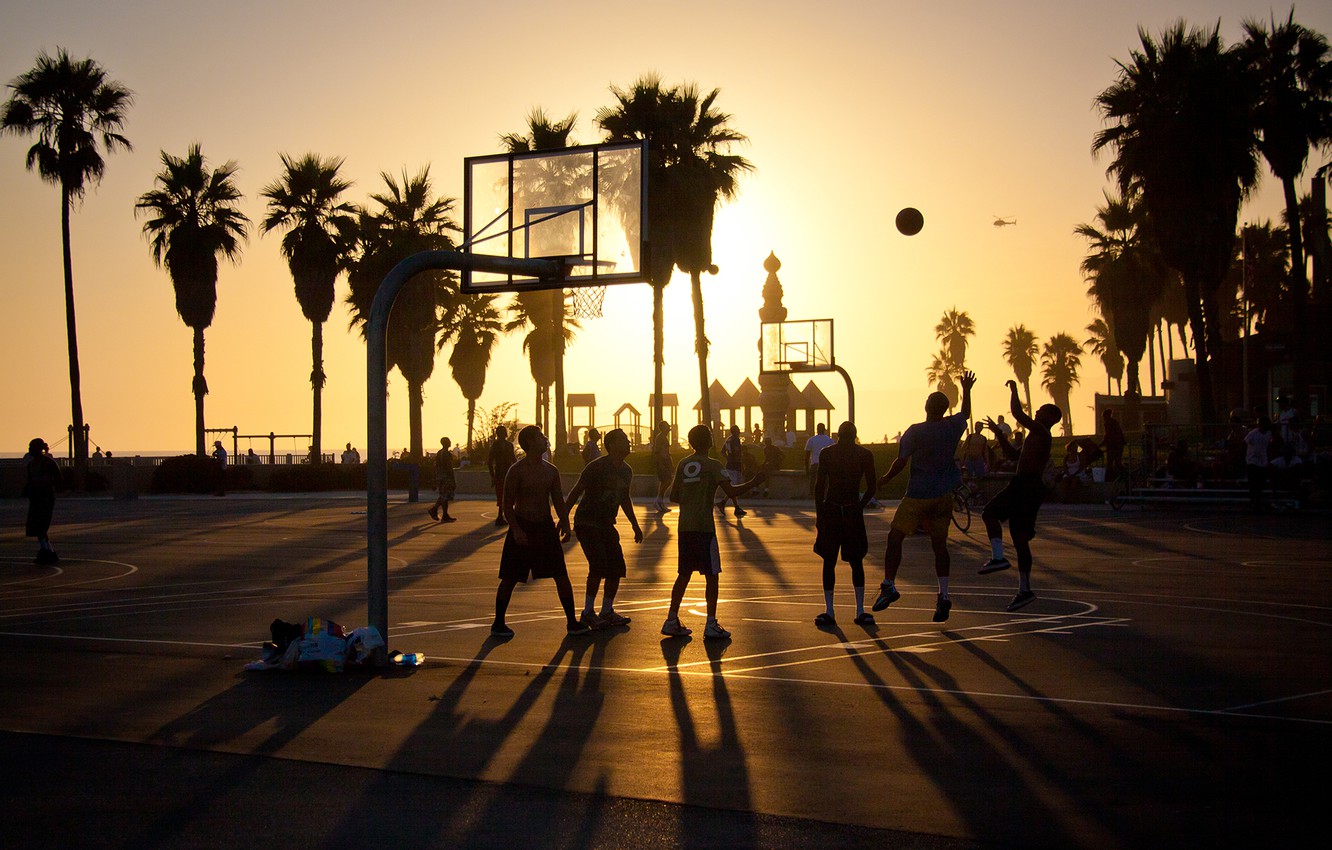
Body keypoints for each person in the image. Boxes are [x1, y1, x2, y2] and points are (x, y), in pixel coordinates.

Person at [873, 370, 976, 623]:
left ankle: (889, 584)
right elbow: (966, 414)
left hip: (919, 494)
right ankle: (943, 594)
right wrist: (967, 389)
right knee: (939, 546)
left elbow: (901, 462)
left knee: (895, 537)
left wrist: (884, 480)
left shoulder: (916, 432)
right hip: (943, 495)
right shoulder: (952, 427)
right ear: (944, 409)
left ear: (926, 407)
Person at [662, 424, 765, 639]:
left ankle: (671, 619)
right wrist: (755, 481)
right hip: (704, 527)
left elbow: (673, 496)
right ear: (708, 441)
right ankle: (710, 623)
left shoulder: (683, 463)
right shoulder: (713, 465)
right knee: (712, 576)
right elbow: (731, 491)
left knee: (684, 574)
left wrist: (693, 497)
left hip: (685, 527)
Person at [492, 426, 590, 637]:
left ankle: (571, 622)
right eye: (540, 437)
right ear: (529, 443)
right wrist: (516, 530)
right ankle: (498, 623)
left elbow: (557, 500)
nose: (545, 439)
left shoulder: (551, 471)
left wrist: (565, 523)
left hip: (544, 528)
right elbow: (508, 506)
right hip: (522, 527)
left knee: (561, 575)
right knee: (509, 578)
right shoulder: (516, 471)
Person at [977, 379, 1063, 612]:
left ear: (1049, 418)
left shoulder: (1041, 431)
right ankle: (1024, 590)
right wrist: (999, 434)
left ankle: (998, 557)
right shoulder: (1035, 436)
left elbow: (1016, 412)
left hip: (1026, 485)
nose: (1036, 411)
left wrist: (1014, 390)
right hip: (1030, 488)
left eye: (1041, 410)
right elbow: (1013, 456)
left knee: (989, 514)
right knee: (1020, 538)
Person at [565, 428, 642, 630]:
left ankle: (606, 610)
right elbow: (576, 491)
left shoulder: (626, 470)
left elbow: (625, 498)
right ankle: (588, 612)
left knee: (616, 567)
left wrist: (635, 524)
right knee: (598, 565)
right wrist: (563, 518)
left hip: (607, 523)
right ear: (612, 445)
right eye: (624, 439)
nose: (628, 442)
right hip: (587, 522)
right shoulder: (597, 467)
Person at [813, 421, 877, 627]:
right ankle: (859, 609)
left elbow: (819, 486)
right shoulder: (864, 455)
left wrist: (820, 512)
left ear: (838, 435)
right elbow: (872, 486)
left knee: (829, 561)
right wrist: (860, 505)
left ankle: (830, 609)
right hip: (850, 510)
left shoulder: (828, 453)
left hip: (833, 508)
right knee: (855, 561)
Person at [23, 438, 62, 565]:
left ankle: (46, 551)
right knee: (37, 527)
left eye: (31, 447)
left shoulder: (48, 463)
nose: (29, 449)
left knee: (41, 526)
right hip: (36, 498)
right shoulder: (31, 465)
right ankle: (47, 550)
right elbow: (29, 481)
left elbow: (58, 478)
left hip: (45, 498)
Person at [487, 425, 517, 527]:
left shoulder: (496, 445)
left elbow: (490, 462)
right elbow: (514, 460)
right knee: (507, 495)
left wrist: (492, 475)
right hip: (506, 473)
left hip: (500, 473)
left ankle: (501, 515)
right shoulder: (507, 445)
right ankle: (501, 516)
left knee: (502, 496)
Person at [1244, 415, 1274, 511]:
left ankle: (1257, 500)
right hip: (1252, 460)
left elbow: (1270, 446)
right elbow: (1244, 444)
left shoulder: (1269, 434)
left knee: (1260, 482)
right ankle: (1253, 501)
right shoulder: (1252, 434)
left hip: (1262, 461)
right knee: (1253, 482)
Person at [718, 425, 747, 517]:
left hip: (729, 464)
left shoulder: (728, 439)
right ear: (736, 431)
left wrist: (728, 458)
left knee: (734, 487)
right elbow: (737, 451)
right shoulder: (735, 439)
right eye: (738, 430)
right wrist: (740, 462)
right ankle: (725, 504)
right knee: (734, 487)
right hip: (735, 465)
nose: (739, 431)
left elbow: (722, 452)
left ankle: (733, 506)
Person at [428, 437, 457, 523]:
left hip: (440, 477)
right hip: (445, 478)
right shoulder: (447, 454)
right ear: (446, 443)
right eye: (449, 441)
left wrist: (435, 478)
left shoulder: (439, 453)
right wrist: (452, 479)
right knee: (445, 496)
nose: (450, 442)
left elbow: (436, 466)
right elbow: (449, 468)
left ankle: (445, 514)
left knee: (444, 496)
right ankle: (434, 509)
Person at [804, 423, 834, 498]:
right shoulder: (830, 440)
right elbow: (833, 455)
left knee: (813, 481)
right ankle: (825, 496)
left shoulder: (811, 440)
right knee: (826, 482)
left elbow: (807, 456)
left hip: (814, 464)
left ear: (816, 430)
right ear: (825, 430)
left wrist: (807, 468)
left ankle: (812, 495)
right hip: (826, 465)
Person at [651, 420, 673, 513]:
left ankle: (660, 501)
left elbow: (666, 451)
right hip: (662, 461)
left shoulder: (664, 437)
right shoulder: (660, 438)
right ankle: (658, 500)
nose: (669, 428)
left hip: (666, 461)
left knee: (666, 481)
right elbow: (657, 452)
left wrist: (670, 462)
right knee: (666, 481)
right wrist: (660, 463)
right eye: (667, 426)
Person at [1100, 409, 1126, 481]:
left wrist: (1103, 443)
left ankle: (1121, 475)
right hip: (1115, 445)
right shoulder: (1113, 422)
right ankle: (1117, 476)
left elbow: (1108, 435)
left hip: (1116, 446)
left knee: (1113, 463)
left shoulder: (1109, 423)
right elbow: (1107, 435)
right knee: (1113, 463)